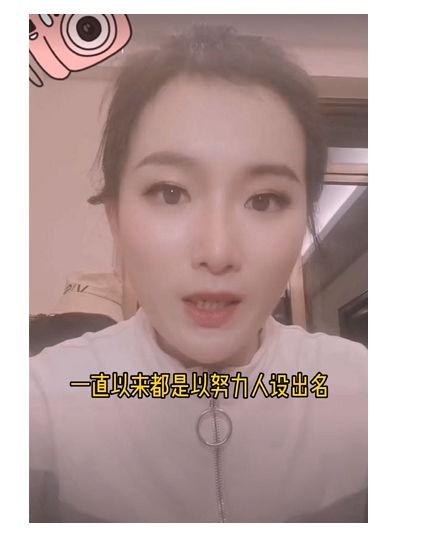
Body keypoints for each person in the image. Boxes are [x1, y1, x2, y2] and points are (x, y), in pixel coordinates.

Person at [30, 24, 367, 522]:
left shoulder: (366, 393)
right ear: (116, 217)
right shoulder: (42, 402)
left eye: (264, 199)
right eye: (171, 193)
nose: (217, 252)